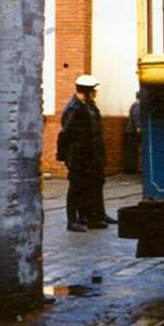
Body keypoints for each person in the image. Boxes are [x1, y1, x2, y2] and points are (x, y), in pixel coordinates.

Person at [56, 74, 117, 232]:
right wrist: (63, 155)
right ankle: (73, 220)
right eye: (93, 90)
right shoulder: (73, 109)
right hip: (78, 155)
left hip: (92, 154)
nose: (95, 93)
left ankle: (93, 217)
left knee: (94, 185)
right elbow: (65, 133)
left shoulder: (89, 106)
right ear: (87, 91)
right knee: (76, 187)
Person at [123, 92, 142, 174]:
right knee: (132, 151)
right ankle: (130, 169)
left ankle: (131, 168)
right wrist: (138, 127)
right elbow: (136, 116)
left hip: (130, 131)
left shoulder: (135, 104)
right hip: (132, 131)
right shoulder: (138, 105)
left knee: (131, 151)